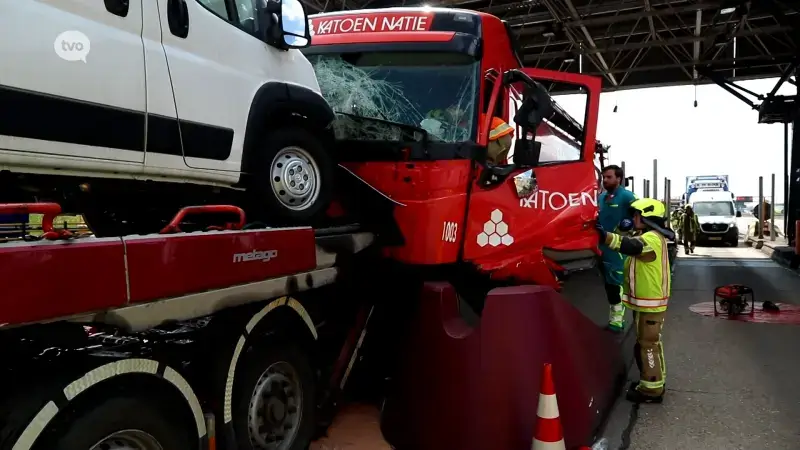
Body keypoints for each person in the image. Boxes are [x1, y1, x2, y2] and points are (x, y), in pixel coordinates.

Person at [595, 198, 674, 404]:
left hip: (651, 303)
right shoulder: (649, 235)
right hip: (647, 302)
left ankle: (652, 389)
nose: (633, 218)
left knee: (648, 344)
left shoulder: (653, 239)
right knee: (648, 343)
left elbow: (629, 246)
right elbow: (628, 239)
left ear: (646, 216)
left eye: (636, 215)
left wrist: (603, 236)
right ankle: (652, 381)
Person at [598, 165, 637, 331]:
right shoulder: (601, 197)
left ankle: (618, 321)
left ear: (618, 179)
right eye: (604, 177)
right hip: (601, 249)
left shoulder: (628, 196)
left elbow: (641, 216)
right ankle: (615, 318)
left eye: (609, 177)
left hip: (618, 249)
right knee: (609, 285)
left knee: (617, 284)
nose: (605, 180)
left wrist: (629, 227)